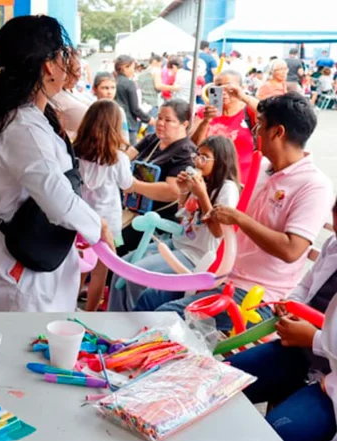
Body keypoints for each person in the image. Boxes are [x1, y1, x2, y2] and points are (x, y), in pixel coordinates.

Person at [140, 94, 333, 330]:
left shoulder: (313, 186)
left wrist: (239, 218)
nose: (255, 131)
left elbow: (292, 250)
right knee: (149, 297)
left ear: (278, 132)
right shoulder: (261, 168)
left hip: (257, 294)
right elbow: (220, 230)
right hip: (222, 273)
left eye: (260, 124)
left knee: (166, 316)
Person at [0, 15, 113, 313]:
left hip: (23, 269)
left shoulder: (24, 117)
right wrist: (100, 226)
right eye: (64, 55)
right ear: (49, 65)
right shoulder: (22, 127)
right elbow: (59, 202)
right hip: (20, 282)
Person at [226, 198, 337, 441]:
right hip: (298, 349)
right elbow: (307, 284)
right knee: (220, 380)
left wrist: (314, 339)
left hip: (329, 380)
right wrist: (290, 305)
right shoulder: (333, 245)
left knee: (272, 436)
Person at [128, 135, 241, 311]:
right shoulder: (202, 182)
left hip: (195, 254)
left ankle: (129, 319)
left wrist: (202, 195)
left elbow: (218, 232)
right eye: (197, 156)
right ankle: (116, 312)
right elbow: (184, 217)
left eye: (204, 158)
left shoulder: (227, 189)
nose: (197, 162)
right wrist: (183, 192)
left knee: (134, 275)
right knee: (125, 267)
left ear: (221, 161)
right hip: (178, 243)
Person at [116, 99, 196, 258]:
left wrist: (134, 185)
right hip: (130, 208)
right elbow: (126, 157)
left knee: (116, 244)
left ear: (184, 124)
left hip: (155, 219)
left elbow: (172, 191)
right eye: (159, 118)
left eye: (168, 120)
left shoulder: (185, 152)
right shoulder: (151, 139)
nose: (160, 123)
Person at [74, 100, 134, 311]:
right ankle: (90, 312)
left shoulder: (75, 154)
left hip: (80, 221)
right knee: (101, 272)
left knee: (78, 269)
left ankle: (69, 307)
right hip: (108, 223)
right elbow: (127, 184)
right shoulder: (118, 158)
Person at [191, 70, 259, 180]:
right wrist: (206, 121)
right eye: (218, 86)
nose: (223, 90)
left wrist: (244, 97)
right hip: (210, 181)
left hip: (242, 180)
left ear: (240, 88)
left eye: (229, 87)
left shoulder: (249, 111)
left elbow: (268, 112)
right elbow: (194, 145)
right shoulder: (205, 112)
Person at [114, 54, 154, 145]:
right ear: (124, 67)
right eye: (132, 68)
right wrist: (148, 119)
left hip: (114, 122)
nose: (133, 71)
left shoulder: (112, 81)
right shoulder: (129, 83)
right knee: (130, 153)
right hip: (128, 124)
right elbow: (135, 108)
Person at [53, 47, 92, 140]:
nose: (76, 76)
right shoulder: (53, 97)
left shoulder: (74, 90)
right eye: (69, 72)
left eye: (78, 70)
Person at [136, 54, 177, 132]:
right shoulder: (156, 70)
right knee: (152, 128)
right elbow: (158, 86)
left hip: (141, 103)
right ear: (156, 62)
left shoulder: (142, 72)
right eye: (160, 63)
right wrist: (173, 88)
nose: (161, 66)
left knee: (138, 127)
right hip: (151, 102)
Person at [92, 72, 130, 143]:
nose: (110, 92)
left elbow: (124, 135)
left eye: (113, 88)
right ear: (95, 89)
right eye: (105, 88)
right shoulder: (91, 109)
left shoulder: (119, 111)